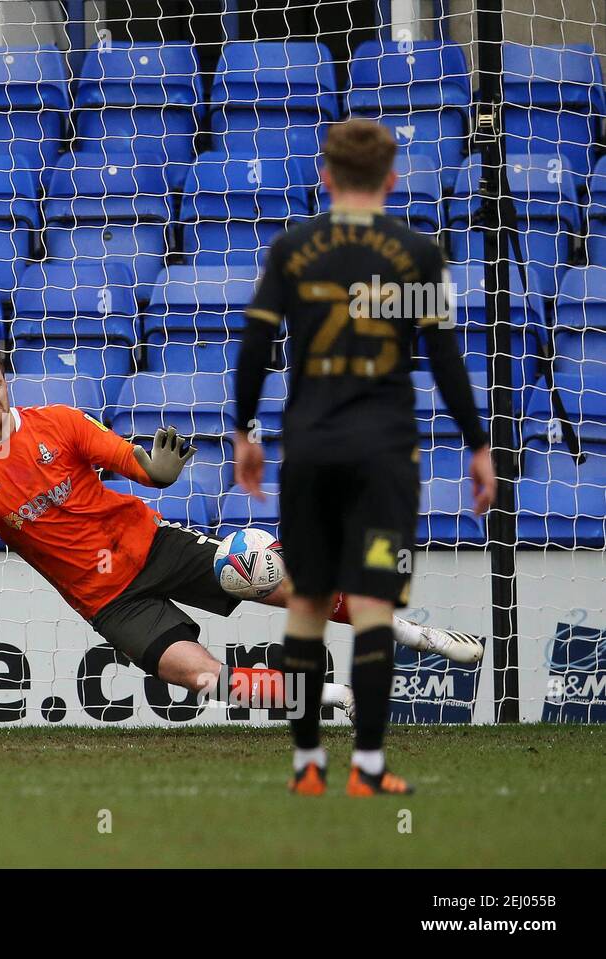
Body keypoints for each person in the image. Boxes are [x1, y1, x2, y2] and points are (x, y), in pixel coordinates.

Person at [0, 338, 481, 721]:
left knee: (286, 585)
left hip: (154, 545)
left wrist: (157, 471)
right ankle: (337, 696)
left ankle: (419, 636)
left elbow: (134, 462)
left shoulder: (61, 422)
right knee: (200, 678)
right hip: (107, 600)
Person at [235, 118, 495, 797]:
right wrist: (478, 444)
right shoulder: (417, 253)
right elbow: (445, 360)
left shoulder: (293, 248)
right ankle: (369, 770)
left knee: (307, 607)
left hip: (311, 452)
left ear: (325, 176)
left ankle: (306, 768)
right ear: (392, 178)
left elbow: (256, 348)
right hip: (384, 456)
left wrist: (241, 432)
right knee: (375, 607)